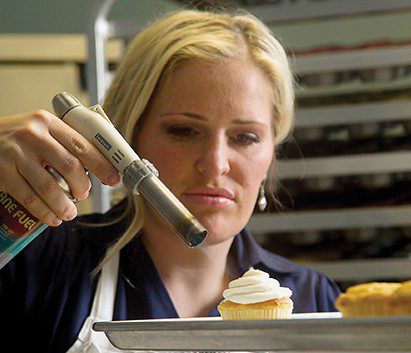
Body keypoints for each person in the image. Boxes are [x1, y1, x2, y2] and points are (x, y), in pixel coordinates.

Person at [0, 8, 341, 353]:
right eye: (184, 131)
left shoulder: (315, 299)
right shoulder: (44, 266)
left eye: (245, 137)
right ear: (129, 136)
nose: (215, 164)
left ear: (271, 155)